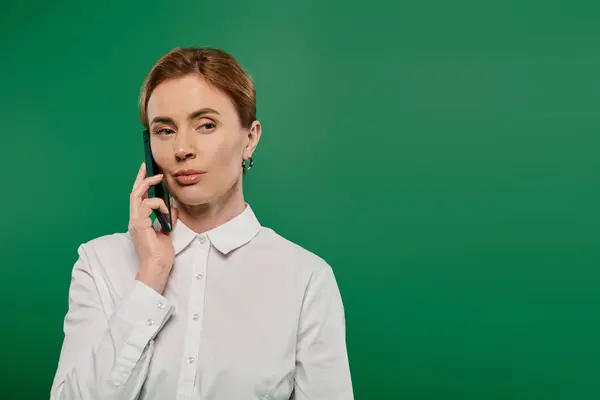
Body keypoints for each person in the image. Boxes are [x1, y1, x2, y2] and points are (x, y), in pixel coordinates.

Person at [50, 47, 354, 400]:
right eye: (164, 130)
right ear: (149, 146)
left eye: (206, 125)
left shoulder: (306, 279)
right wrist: (151, 276)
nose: (182, 148)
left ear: (250, 138)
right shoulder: (99, 262)